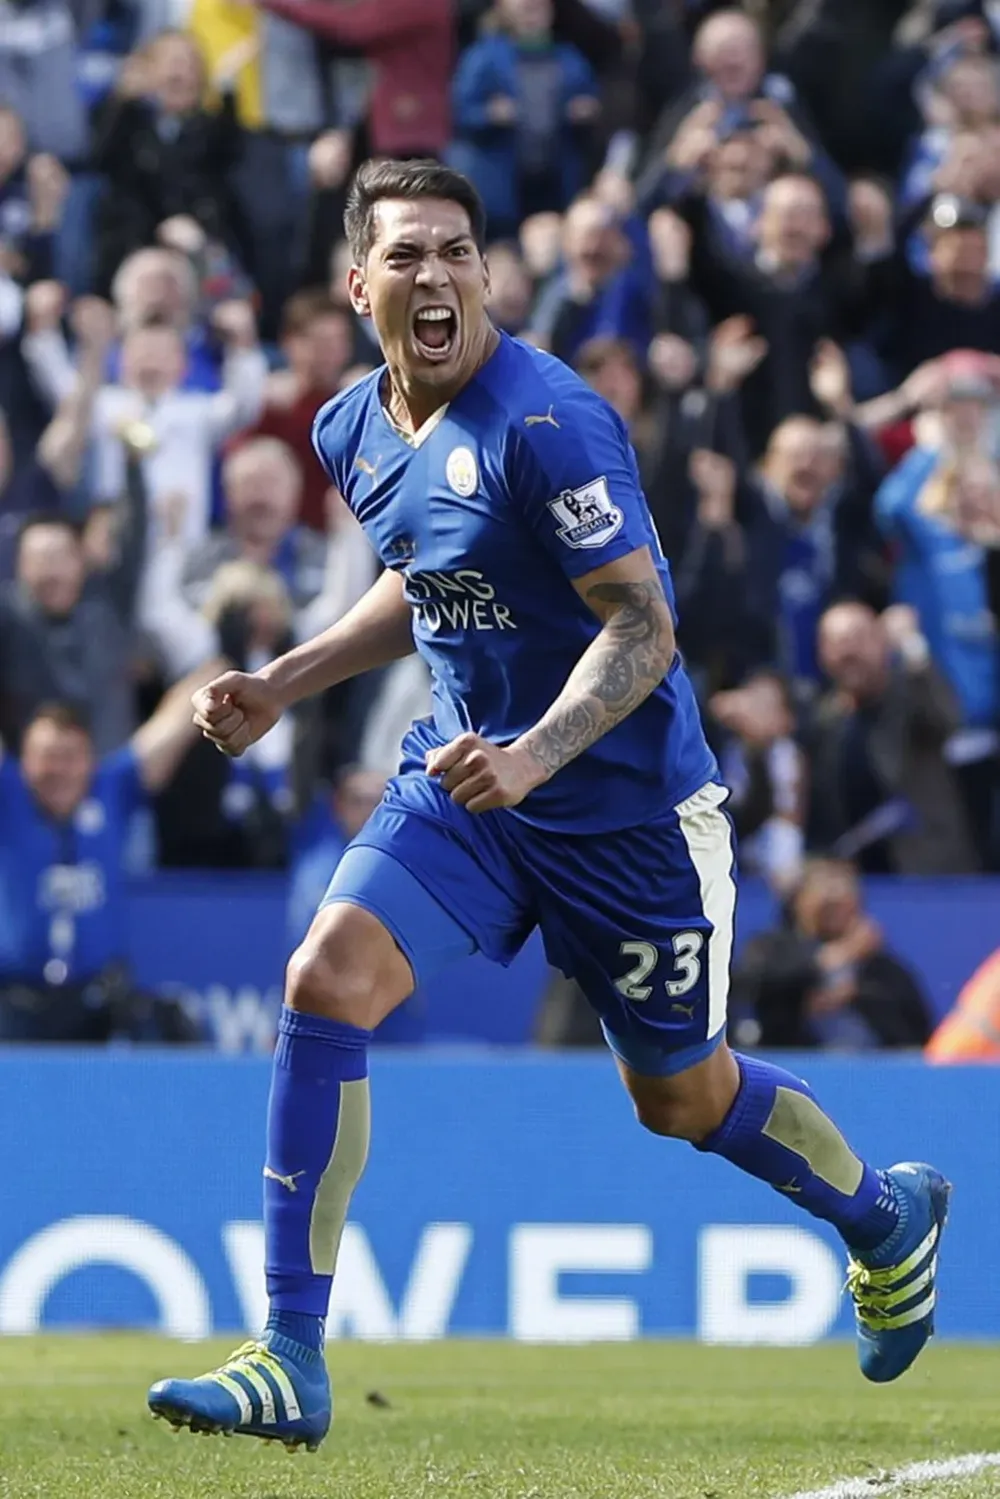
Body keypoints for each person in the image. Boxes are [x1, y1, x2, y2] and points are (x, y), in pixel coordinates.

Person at [148, 159, 950, 1451]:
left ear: (487, 273)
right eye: (406, 255)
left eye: (458, 251)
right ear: (360, 285)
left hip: (628, 812)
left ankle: (882, 1217)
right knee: (323, 975)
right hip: (470, 782)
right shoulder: (352, 430)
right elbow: (423, 582)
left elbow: (644, 626)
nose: (438, 274)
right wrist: (288, 679)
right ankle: (289, 1352)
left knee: (680, 1094)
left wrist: (536, 753)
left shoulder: (546, 423)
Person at [0, 672, 216, 1042]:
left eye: (70, 757)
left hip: (98, 1006)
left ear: (90, 761)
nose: (59, 771)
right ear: (25, 763)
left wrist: (215, 665)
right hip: (15, 1006)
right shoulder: (8, 796)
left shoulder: (112, 789)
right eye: (47, 758)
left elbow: (176, 721)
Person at [731, 857, 933, 1050]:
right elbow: (752, 990)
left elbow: (915, 1034)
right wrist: (834, 958)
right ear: (798, 901)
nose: (835, 910)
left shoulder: (882, 968)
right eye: (826, 902)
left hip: (867, 1074)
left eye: (844, 900)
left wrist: (854, 996)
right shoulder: (771, 948)